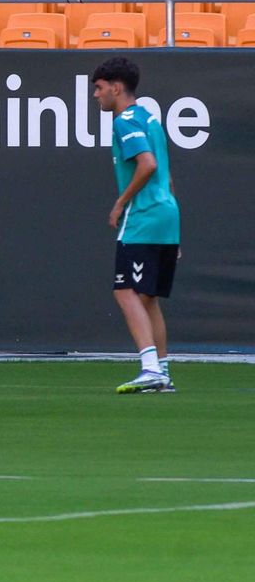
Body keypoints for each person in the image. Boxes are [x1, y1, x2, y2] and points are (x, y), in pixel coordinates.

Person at [93, 57, 180, 394]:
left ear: (117, 87)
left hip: (143, 217)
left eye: (100, 89)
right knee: (147, 298)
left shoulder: (125, 121)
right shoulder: (150, 119)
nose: (96, 96)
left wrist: (119, 202)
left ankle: (149, 368)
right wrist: (172, 232)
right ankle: (162, 370)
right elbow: (166, 176)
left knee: (124, 291)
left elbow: (147, 165)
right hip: (167, 216)